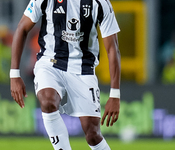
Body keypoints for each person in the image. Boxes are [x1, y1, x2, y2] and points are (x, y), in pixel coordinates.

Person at [10, 0, 121, 149]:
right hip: (50, 63)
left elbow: (113, 49)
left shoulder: (100, 3)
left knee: (92, 133)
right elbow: (22, 28)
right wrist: (14, 74)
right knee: (48, 101)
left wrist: (115, 95)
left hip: (83, 69)